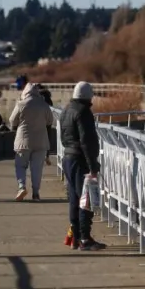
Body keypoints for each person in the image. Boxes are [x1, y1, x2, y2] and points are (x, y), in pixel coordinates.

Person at [59, 82, 107, 251]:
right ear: (88, 96)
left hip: (68, 157)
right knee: (85, 199)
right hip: (80, 160)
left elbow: (63, 137)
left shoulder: (66, 110)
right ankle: (85, 238)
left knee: (74, 198)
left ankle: (76, 237)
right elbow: (87, 141)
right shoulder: (83, 112)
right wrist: (92, 165)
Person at [8, 82, 55, 201]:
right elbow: (50, 121)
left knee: (21, 165)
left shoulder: (21, 104)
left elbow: (12, 120)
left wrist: (17, 126)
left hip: (23, 141)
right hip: (41, 141)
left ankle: (21, 187)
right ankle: (36, 193)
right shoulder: (44, 105)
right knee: (37, 168)